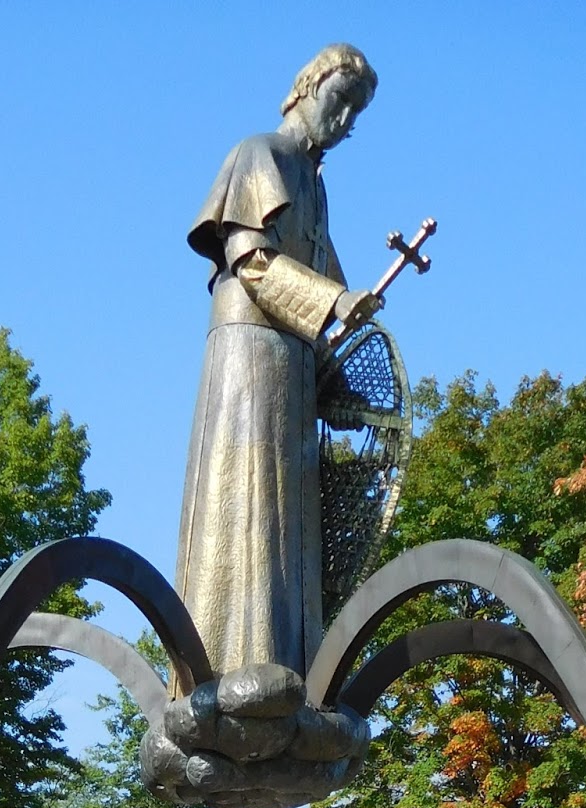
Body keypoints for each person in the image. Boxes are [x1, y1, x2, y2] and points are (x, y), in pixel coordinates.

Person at [174, 43, 380, 679]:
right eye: (339, 104)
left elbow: (324, 299)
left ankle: (290, 666)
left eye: (356, 116)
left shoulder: (316, 194)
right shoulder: (259, 154)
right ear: (308, 87)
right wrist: (335, 301)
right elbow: (254, 261)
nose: (344, 125)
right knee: (248, 504)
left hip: (292, 367)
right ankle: (223, 669)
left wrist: (342, 384)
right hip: (249, 360)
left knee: (290, 522)